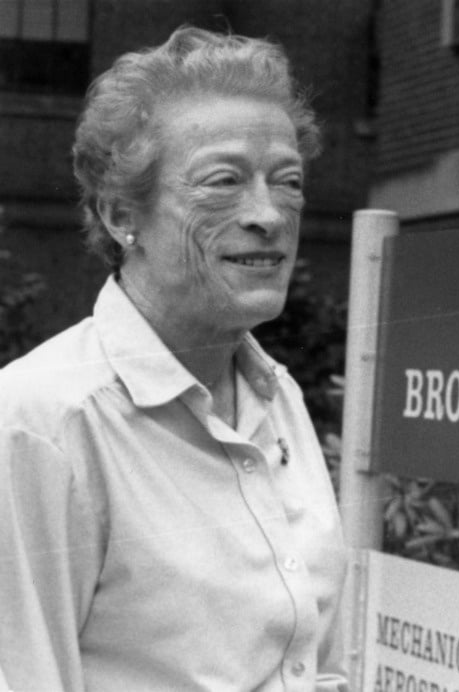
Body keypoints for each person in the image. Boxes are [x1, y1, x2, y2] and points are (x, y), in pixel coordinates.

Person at [0, 27, 349, 691]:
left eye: (289, 181)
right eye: (224, 181)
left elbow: (313, 662)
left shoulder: (279, 397)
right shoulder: (41, 421)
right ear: (119, 213)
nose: (269, 214)